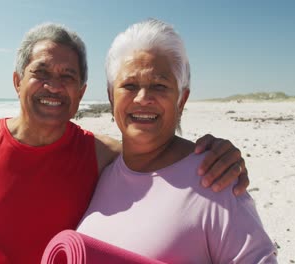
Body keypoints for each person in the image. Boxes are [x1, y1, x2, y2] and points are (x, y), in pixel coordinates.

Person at [0, 23, 250, 264]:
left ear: (82, 92)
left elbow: (161, 155)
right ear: (17, 81)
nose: (54, 86)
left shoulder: (101, 154)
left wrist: (218, 152)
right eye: (42, 73)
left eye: (68, 77)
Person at [77, 19, 277, 263]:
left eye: (159, 85)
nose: (143, 98)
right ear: (111, 97)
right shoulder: (102, 172)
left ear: (181, 99)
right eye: (129, 85)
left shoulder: (215, 178)